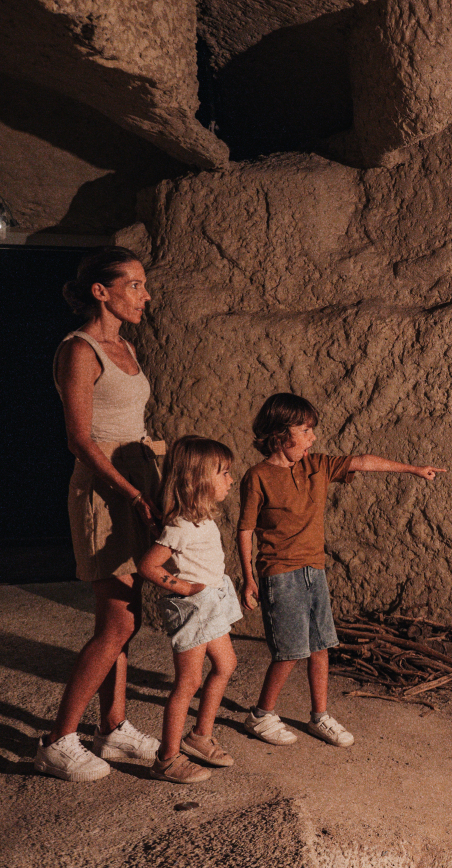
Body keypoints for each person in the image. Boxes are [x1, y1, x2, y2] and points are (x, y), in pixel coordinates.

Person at [238, 393, 444, 747]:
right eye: (305, 430)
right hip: (279, 574)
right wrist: (247, 578)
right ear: (279, 434)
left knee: (320, 647)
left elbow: (362, 462)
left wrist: (412, 469)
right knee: (290, 652)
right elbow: (245, 529)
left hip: (313, 571)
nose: (312, 437)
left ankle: (320, 716)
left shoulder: (316, 465)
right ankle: (260, 715)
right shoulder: (257, 476)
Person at [35, 247, 164, 782]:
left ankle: (112, 727)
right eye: (133, 284)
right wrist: (131, 492)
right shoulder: (80, 350)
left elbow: (130, 422)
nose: (145, 294)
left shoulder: (126, 347)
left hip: (137, 486)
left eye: (143, 284)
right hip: (105, 494)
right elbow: (80, 439)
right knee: (116, 622)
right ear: (100, 291)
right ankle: (58, 740)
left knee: (126, 618)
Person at [137, 436, 242, 784]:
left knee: (226, 665)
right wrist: (181, 587)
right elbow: (149, 566)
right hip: (194, 607)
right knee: (188, 681)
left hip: (213, 602)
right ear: (197, 480)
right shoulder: (180, 526)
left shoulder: (200, 519)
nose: (230, 480)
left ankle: (199, 736)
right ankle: (167, 757)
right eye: (223, 473)